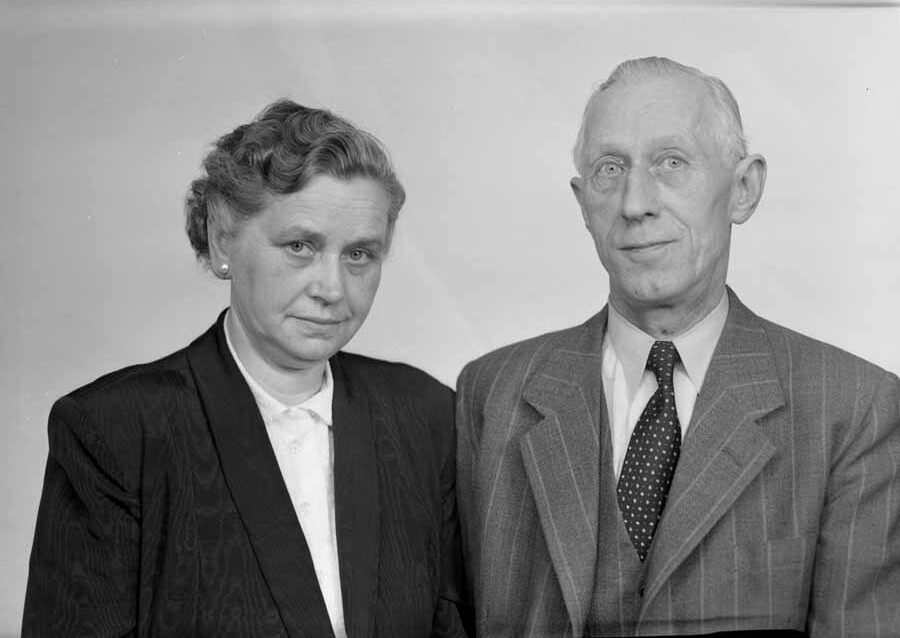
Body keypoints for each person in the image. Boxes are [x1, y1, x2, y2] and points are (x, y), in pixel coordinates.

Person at [456, 57, 900, 637]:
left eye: (671, 162)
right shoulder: (491, 394)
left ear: (744, 189)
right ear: (582, 203)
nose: (635, 202)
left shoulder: (854, 409)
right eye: (609, 168)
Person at [23, 99, 469, 637]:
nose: (332, 289)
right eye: (300, 246)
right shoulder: (116, 429)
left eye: (359, 254)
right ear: (222, 240)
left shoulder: (425, 414)